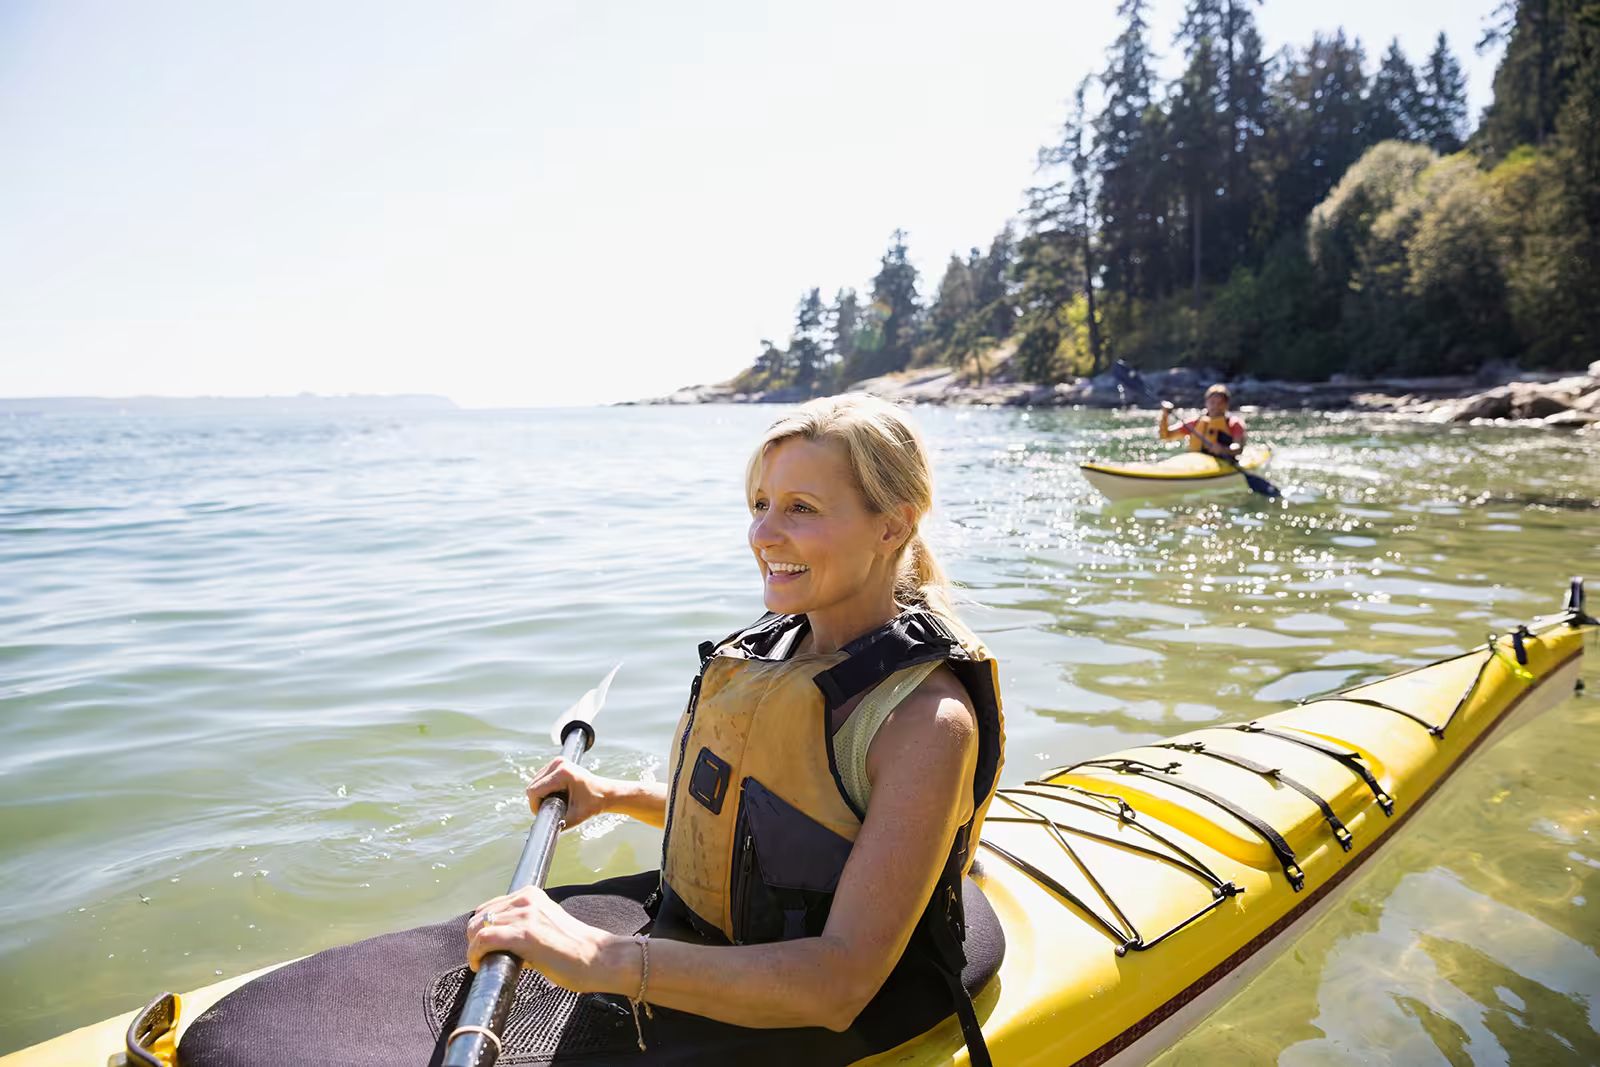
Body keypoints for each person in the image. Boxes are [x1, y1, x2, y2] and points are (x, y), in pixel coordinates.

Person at [461, 394, 1007, 1062]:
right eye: (759, 505)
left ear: (893, 525)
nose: (763, 535)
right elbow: (764, 825)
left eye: (801, 508)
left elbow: (839, 983)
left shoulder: (924, 721)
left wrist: (600, 955)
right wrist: (612, 795)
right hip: (713, 932)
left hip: (833, 1004)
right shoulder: (783, 650)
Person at [1159, 383, 1245, 458]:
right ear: (1206, 403)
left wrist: (1224, 450)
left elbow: (1238, 447)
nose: (1215, 406)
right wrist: (1165, 415)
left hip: (1224, 461)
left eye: (1220, 403)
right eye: (1212, 402)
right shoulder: (1195, 423)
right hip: (1196, 462)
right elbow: (1165, 436)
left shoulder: (1234, 423)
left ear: (1226, 405)